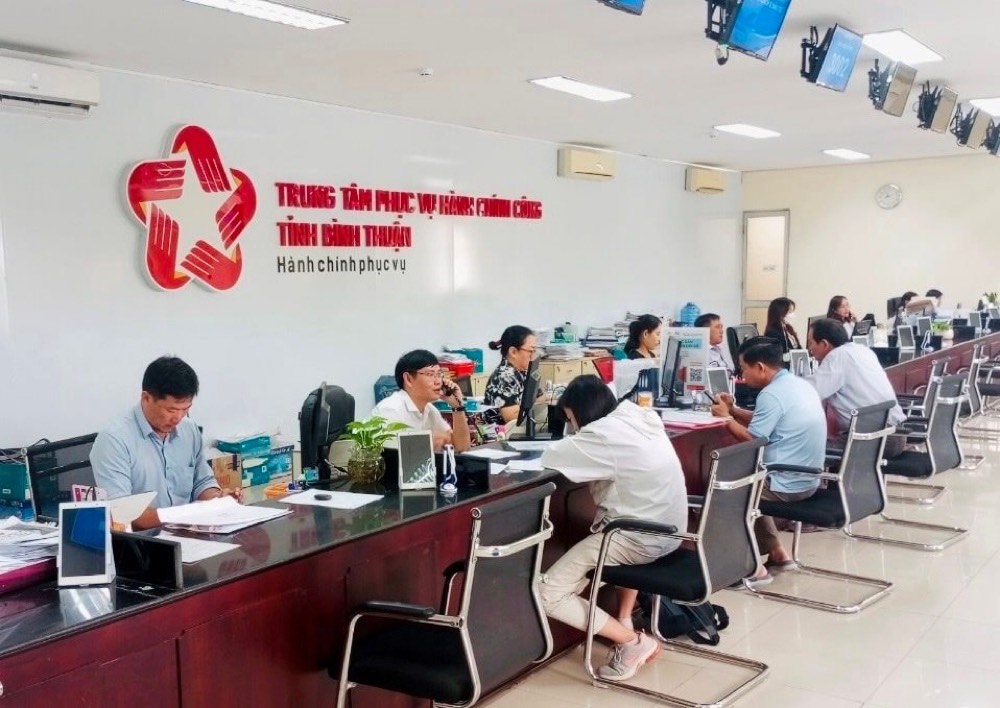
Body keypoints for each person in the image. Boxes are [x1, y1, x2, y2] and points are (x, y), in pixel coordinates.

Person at [539, 375, 687, 682]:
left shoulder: (602, 435)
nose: (573, 426)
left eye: (570, 419)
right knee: (609, 533)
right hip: (671, 532)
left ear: (579, 412)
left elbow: (550, 456)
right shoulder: (640, 416)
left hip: (637, 539)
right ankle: (623, 619)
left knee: (547, 592)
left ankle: (632, 643)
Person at [709, 337, 826, 579]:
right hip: (809, 478)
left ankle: (749, 567)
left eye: (743, 369)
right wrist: (732, 411)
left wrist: (726, 419)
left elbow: (754, 440)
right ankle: (778, 553)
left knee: (723, 489)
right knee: (747, 480)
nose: (741, 375)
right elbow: (768, 420)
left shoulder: (771, 394)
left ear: (760, 367)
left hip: (786, 484)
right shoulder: (798, 384)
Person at [90, 356, 239, 531]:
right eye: (171, 410)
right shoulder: (114, 440)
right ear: (146, 398)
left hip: (189, 534)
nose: (178, 418)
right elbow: (122, 515)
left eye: (185, 409)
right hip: (144, 545)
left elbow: (202, 483)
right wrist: (190, 511)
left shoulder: (188, 429)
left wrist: (218, 499)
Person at [806, 319, 908, 458]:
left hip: (873, 440)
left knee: (804, 447)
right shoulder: (861, 350)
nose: (810, 349)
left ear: (824, 344)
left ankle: (834, 479)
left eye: (811, 343)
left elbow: (808, 394)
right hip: (895, 435)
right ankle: (840, 479)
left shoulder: (837, 357)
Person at [372, 349, 471, 452]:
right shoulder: (390, 412)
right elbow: (396, 463)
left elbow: (461, 448)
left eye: (439, 374)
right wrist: (430, 445)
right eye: (430, 374)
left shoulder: (430, 410)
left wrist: (457, 407)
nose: (438, 381)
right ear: (408, 379)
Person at [483, 325, 537, 423]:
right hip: (504, 434)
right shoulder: (503, 377)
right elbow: (512, 418)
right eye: (530, 351)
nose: (533, 356)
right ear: (513, 352)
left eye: (534, 351)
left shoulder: (522, 372)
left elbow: (537, 397)